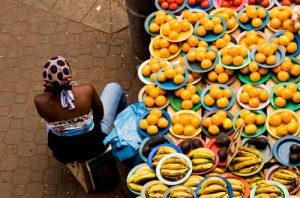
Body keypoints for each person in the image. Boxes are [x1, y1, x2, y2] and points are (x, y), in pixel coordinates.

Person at [34, 56, 127, 164]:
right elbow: (99, 116)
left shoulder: (40, 101)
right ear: (69, 75)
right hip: (95, 146)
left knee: (49, 124)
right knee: (114, 87)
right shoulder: (86, 90)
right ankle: (123, 129)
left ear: (46, 81)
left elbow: (44, 117)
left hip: (65, 153)